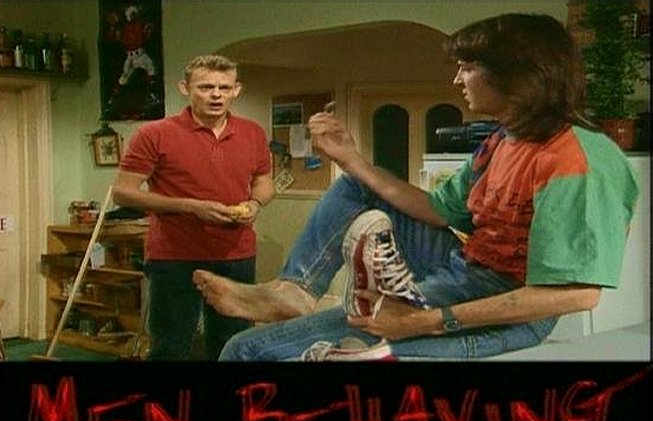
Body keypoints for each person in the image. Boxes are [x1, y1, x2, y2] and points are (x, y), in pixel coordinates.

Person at [193, 13, 640, 361]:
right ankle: (296, 289)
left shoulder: (578, 158)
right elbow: (438, 212)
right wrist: (351, 159)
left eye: (468, 67)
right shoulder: (503, 139)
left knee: (246, 349)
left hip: (508, 306)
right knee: (356, 185)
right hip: (466, 264)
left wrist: (424, 321)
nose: (457, 79)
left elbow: (576, 294)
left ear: (519, 74)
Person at [112, 54, 274, 361]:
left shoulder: (253, 132)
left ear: (236, 90)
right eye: (206, 87)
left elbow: (265, 183)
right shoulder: (155, 133)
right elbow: (122, 193)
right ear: (185, 88)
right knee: (170, 346)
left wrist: (254, 203)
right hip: (175, 256)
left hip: (236, 254)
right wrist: (190, 206)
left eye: (224, 88)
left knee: (233, 344)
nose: (216, 95)